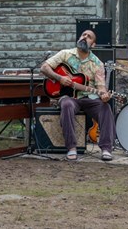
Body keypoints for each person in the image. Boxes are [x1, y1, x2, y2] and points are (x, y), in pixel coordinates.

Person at [40, 30, 115, 161]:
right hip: (69, 97)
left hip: (89, 98)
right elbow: (44, 67)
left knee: (105, 108)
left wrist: (104, 95)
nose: (85, 37)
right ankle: (71, 147)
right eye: (83, 35)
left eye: (89, 37)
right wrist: (59, 78)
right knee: (67, 105)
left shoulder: (97, 63)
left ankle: (106, 148)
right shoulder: (65, 54)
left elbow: (101, 87)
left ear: (93, 45)